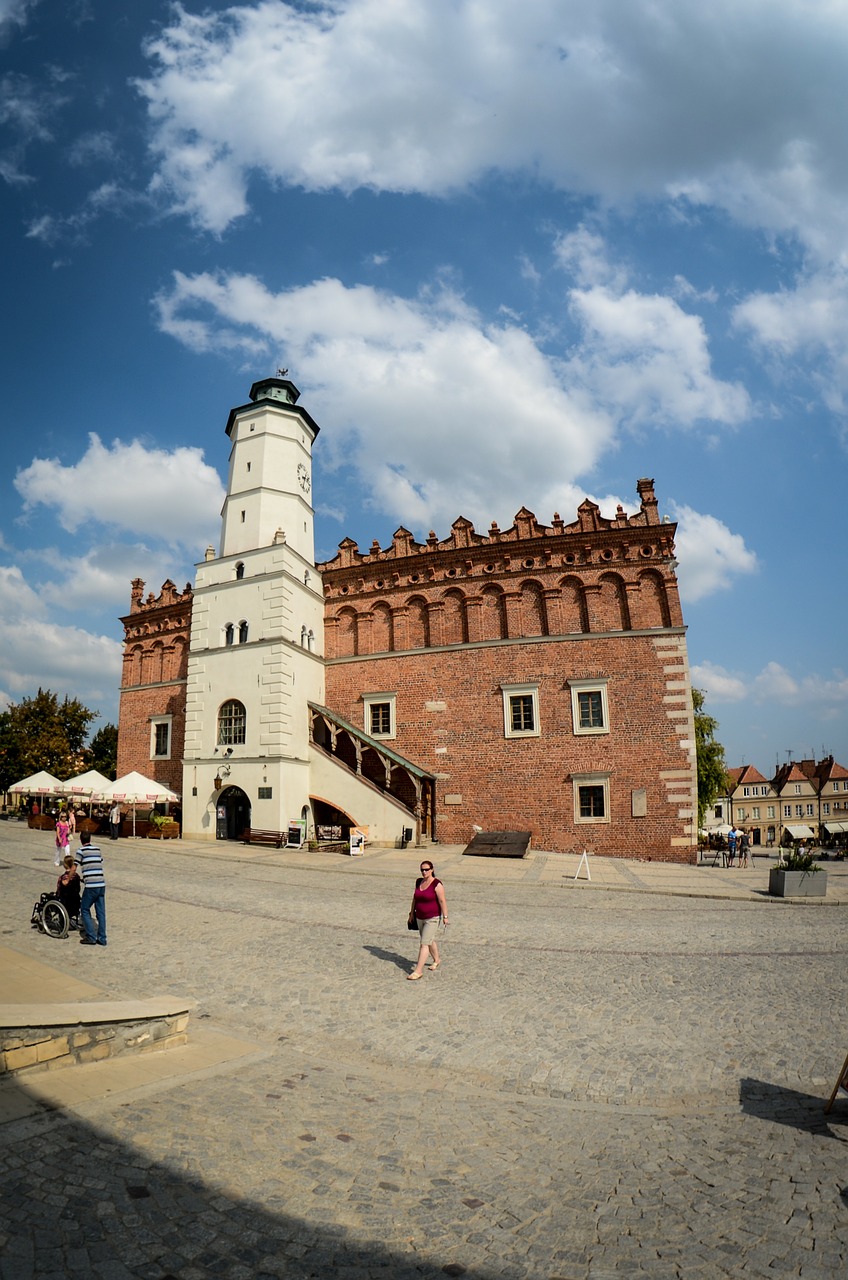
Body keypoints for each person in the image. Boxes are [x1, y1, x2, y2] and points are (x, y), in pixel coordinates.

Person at [406, 859, 448, 980]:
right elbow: (415, 898)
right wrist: (411, 914)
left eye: (426, 870)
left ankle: (418, 971)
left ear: (432, 870)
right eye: (422, 870)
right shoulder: (418, 882)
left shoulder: (437, 884)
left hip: (432, 918)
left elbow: (442, 901)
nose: (424, 872)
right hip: (419, 916)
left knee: (424, 943)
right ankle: (437, 959)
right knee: (429, 939)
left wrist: (445, 917)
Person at [76, 829, 107, 946]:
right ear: (90, 839)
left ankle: (91, 936)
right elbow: (97, 863)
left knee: (84, 909)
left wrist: (68, 878)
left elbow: (75, 866)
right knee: (101, 912)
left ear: (81, 840)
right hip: (101, 884)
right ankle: (102, 938)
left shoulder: (81, 851)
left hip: (91, 886)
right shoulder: (97, 849)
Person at [56, 853, 81, 927]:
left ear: (65, 865)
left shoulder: (63, 877)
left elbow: (59, 888)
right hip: (75, 899)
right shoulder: (77, 876)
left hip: (65, 901)